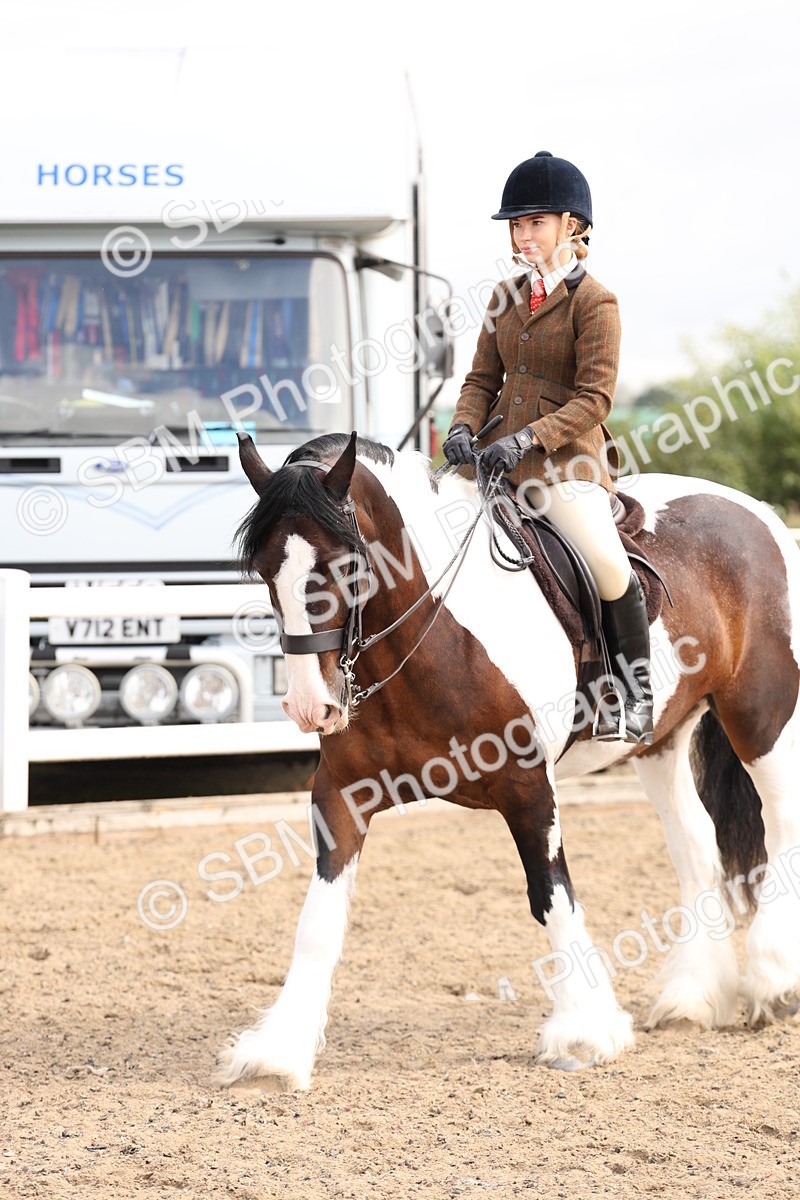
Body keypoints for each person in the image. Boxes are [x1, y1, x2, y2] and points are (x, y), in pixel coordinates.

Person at [443, 151, 653, 745]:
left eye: (536, 222)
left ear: (572, 226)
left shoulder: (596, 302)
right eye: (517, 224)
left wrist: (530, 437)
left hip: (565, 464)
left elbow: (595, 398)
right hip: (494, 457)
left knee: (607, 563)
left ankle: (636, 692)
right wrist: (462, 427)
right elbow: (481, 380)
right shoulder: (504, 296)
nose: (523, 235)